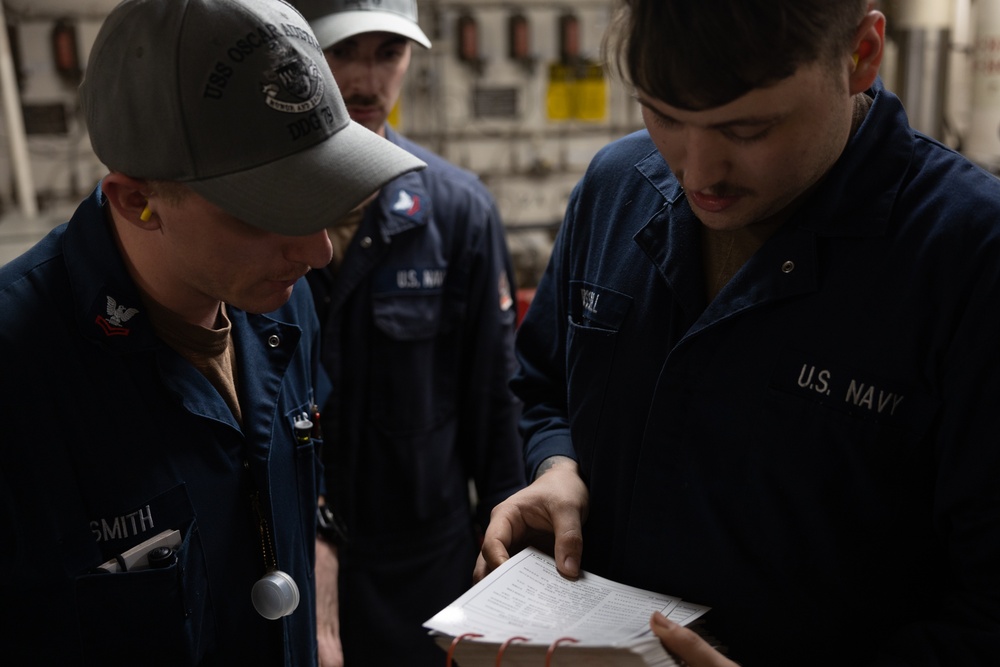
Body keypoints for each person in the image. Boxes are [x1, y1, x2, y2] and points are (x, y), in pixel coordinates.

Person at [475, 1, 1000, 665]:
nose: (698, 173)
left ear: (861, 56)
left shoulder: (969, 258)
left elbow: (986, 612)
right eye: (663, 114)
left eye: (748, 130)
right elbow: (544, 382)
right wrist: (558, 464)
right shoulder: (617, 187)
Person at [0, 0, 426, 664]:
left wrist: (320, 627)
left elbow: (301, 487)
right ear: (136, 201)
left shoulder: (284, 305)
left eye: (320, 201)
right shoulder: (22, 369)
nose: (318, 251)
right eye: (267, 213)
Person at [287, 1, 527, 664]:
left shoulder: (457, 212)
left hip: (428, 563)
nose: (366, 81)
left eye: (387, 55)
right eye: (344, 54)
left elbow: (496, 404)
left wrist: (508, 560)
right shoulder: (260, 214)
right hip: (292, 552)